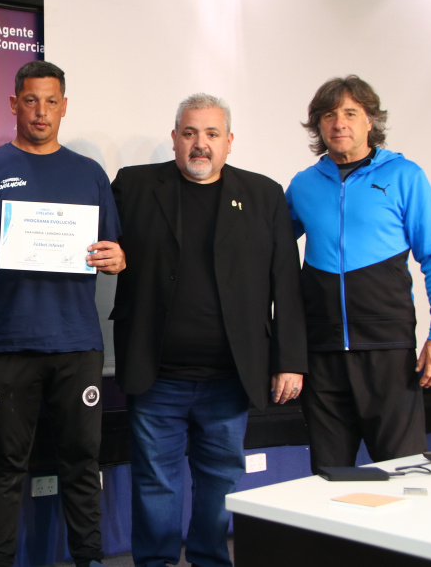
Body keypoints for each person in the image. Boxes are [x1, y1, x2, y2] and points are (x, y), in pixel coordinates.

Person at [111, 93, 307, 567]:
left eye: (212, 134)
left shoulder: (263, 195)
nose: (201, 144)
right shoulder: (135, 186)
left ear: (229, 141)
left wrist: (289, 360)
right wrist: (109, 252)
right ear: (175, 138)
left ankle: (211, 561)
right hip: (157, 374)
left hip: (229, 378)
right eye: (190, 133)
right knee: (155, 483)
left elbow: (286, 281)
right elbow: (95, 237)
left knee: (220, 482)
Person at [0, 60, 125, 567]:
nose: (40, 111)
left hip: (76, 344)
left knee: (82, 462)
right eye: (31, 100)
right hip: (5, 344)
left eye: (51, 101)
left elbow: (111, 248)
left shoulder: (89, 174)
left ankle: (89, 558)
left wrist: (116, 257)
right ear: (14, 103)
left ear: (64, 106)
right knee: (3, 466)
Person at [286, 75, 431, 473]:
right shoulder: (304, 184)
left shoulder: (405, 175)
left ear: (370, 121)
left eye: (350, 113)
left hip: (388, 351)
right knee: (330, 479)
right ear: (318, 125)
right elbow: (268, 252)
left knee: (404, 474)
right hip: (322, 355)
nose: (339, 124)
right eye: (329, 115)